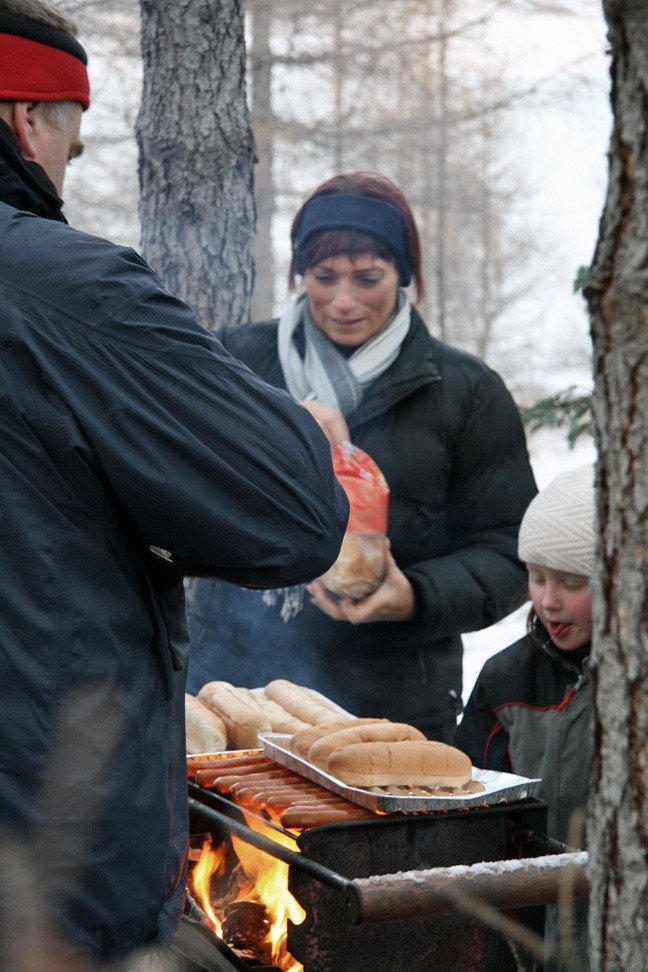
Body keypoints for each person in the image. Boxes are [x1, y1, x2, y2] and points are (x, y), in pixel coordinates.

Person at [0, 1, 348, 966]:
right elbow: (293, 514)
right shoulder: (61, 289)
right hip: (43, 882)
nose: (65, 168)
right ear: (26, 121)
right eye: (72, 141)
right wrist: (302, 434)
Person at [187, 170, 538, 741]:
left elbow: (509, 550)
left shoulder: (463, 391)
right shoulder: (237, 362)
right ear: (300, 275)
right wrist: (274, 440)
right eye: (323, 277)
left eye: (368, 278)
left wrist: (415, 597)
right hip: (234, 690)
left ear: (405, 276)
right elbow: (181, 493)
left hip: (392, 703)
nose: (342, 301)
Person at [456, 464, 595, 968]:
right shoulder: (507, 678)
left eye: (573, 582)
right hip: (527, 937)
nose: (549, 600)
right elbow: (471, 805)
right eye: (537, 578)